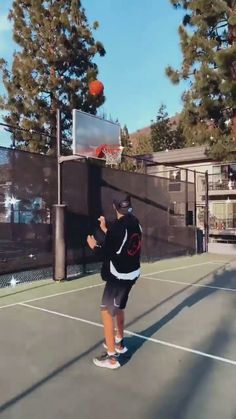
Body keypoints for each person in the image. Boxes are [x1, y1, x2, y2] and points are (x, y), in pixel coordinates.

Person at [87, 194, 142, 369]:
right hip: (132, 274)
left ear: (114, 207)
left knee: (106, 311)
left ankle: (111, 358)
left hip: (118, 276)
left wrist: (94, 246)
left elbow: (107, 252)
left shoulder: (118, 228)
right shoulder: (135, 222)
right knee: (119, 307)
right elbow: (119, 240)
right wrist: (104, 228)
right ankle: (119, 343)